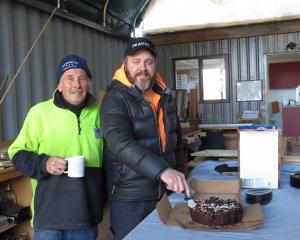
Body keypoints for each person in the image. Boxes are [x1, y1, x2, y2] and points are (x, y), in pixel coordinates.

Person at [101, 37, 191, 240]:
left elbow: (175, 139)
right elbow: (120, 144)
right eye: (136, 61)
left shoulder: (165, 97)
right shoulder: (115, 99)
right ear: (125, 64)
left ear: (155, 64)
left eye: (148, 61)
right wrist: (163, 171)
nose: (143, 68)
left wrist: (178, 176)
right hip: (131, 198)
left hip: (165, 194)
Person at [8, 54, 104, 240]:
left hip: (87, 217)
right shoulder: (39, 113)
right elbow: (16, 153)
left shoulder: (99, 113)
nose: (76, 84)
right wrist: (44, 163)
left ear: (88, 83)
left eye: (82, 78)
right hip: (49, 219)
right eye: (69, 78)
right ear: (59, 85)